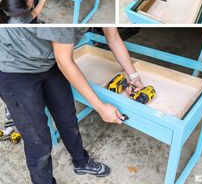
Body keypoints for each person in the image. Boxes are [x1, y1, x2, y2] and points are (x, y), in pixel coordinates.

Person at [0, 27, 144, 184]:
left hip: (49, 62)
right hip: (14, 72)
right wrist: (100, 107)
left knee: (67, 119)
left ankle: (81, 162)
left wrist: (133, 76)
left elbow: (114, 37)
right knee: (37, 140)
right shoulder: (64, 22)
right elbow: (65, 62)